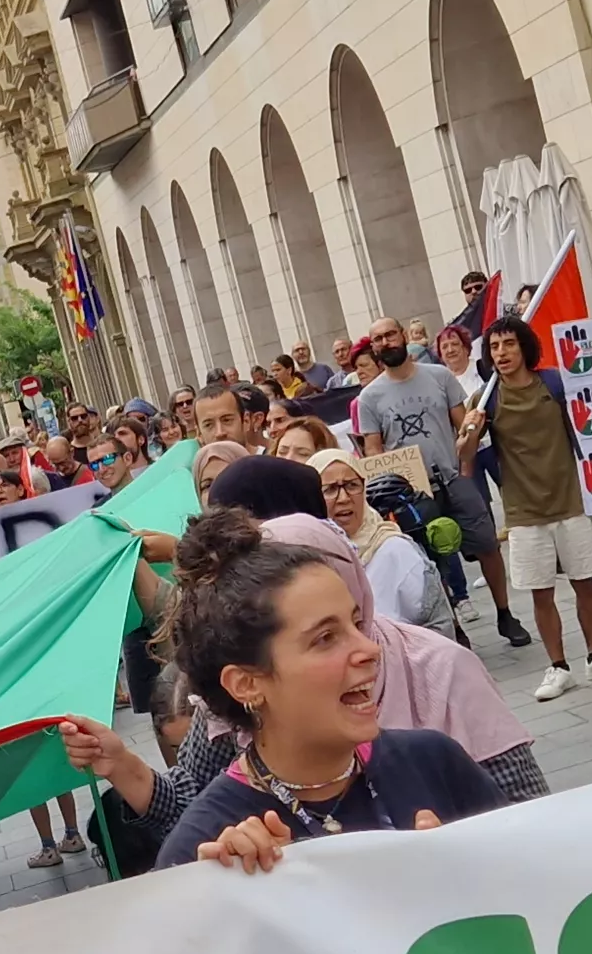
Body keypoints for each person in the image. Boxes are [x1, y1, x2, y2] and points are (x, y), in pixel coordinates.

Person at [156, 508, 526, 871]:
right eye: (326, 638)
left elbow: (538, 889)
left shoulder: (435, 762)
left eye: (356, 622)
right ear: (247, 684)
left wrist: (466, 872)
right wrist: (233, 899)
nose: (369, 649)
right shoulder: (208, 849)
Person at [483, 315, 592, 699]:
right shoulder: (487, 399)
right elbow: (467, 457)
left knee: (585, 582)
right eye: (494, 347)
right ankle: (558, 667)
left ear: (524, 346)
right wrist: (470, 430)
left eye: (508, 344)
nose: (501, 353)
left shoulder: (554, 382)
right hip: (524, 512)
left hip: (571, 501)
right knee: (541, 592)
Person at [349, 313, 509, 623]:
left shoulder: (439, 376)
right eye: (378, 339)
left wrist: (467, 462)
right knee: (431, 561)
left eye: (390, 335)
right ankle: (452, 624)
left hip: (453, 478)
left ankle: (504, 613)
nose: (385, 342)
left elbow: (464, 428)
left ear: (403, 337)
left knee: (487, 545)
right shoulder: (369, 397)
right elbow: (374, 449)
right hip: (412, 494)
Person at [311, 451, 444, 628]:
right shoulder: (308, 557)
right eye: (330, 489)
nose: (343, 498)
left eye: (352, 485)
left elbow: (437, 623)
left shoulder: (395, 550)